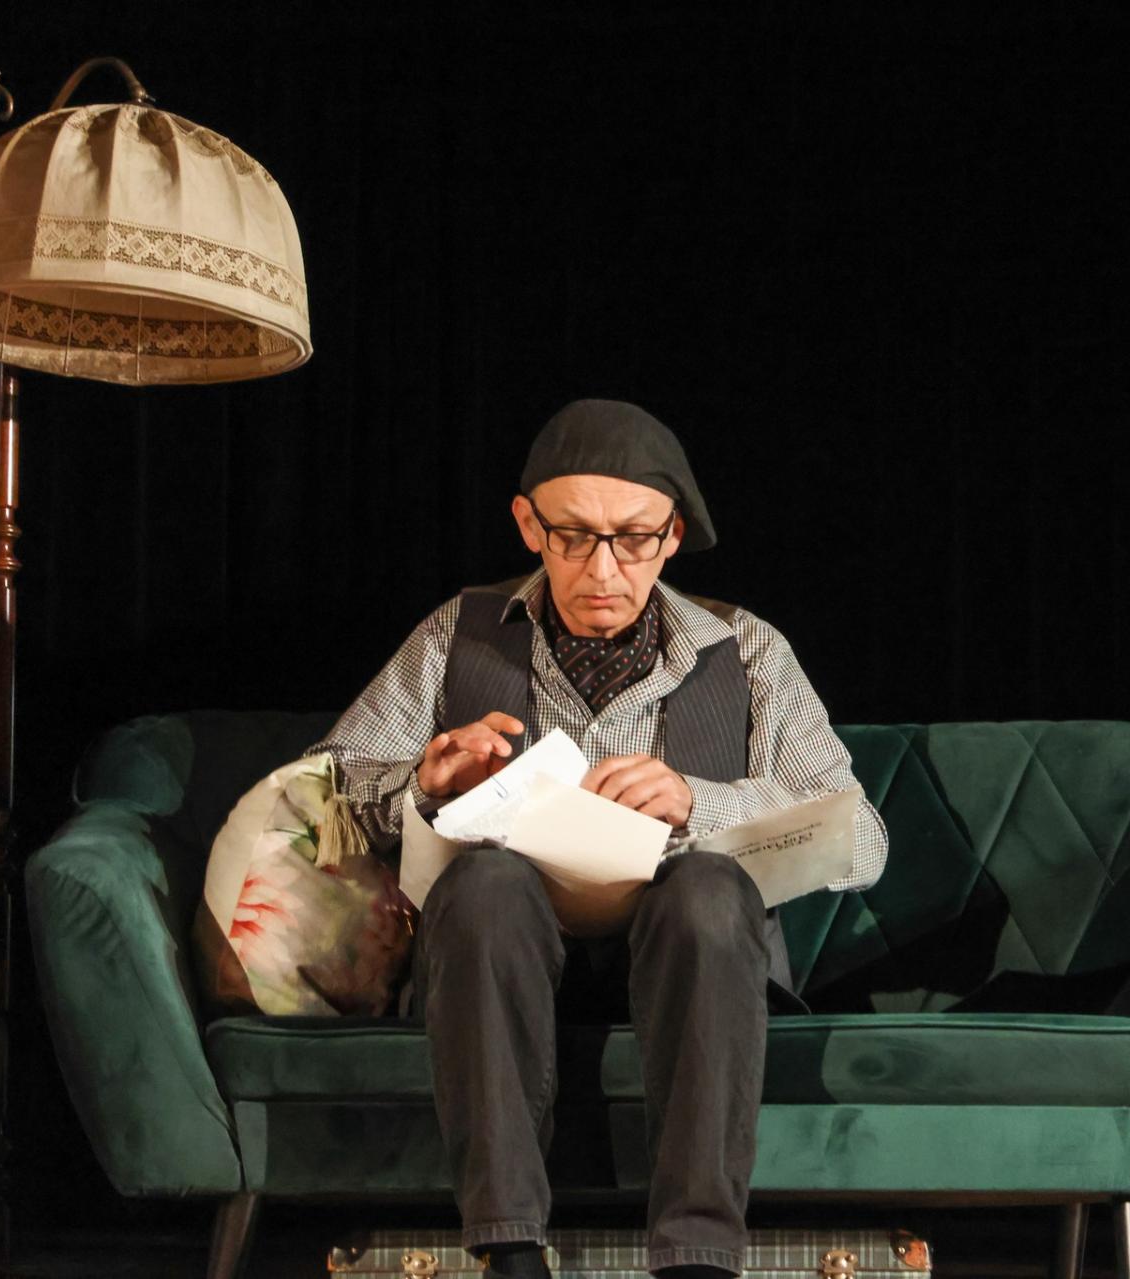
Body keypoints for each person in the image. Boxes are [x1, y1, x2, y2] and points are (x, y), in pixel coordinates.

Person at [312, 398, 888, 1279]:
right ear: (527, 525)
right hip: (497, 964)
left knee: (706, 890)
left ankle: (697, 1258)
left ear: (673, 535)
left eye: (633, 538)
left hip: (693, 968)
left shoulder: (746, 650)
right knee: (485, 886)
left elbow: (863, 840)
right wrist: (421, 784)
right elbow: (322, 794)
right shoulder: (456, 635)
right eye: (573, 536)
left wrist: (700, 801)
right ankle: (511, 1253)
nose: (603, 568)